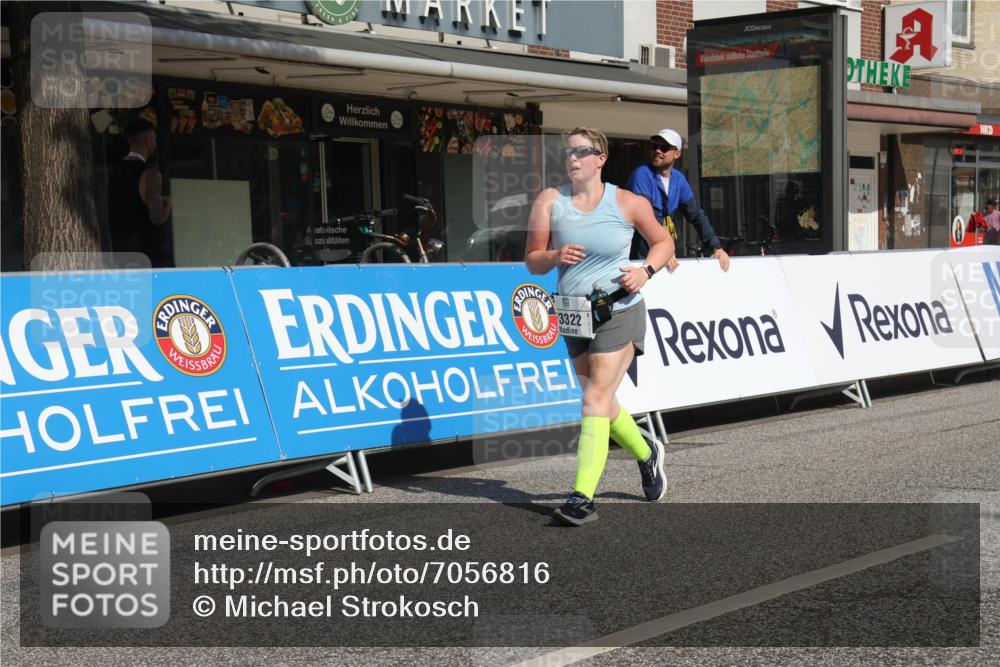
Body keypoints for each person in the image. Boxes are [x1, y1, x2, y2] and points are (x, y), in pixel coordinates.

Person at [525, 127, 675, 526]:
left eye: (581, 152)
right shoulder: (549, 201)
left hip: (620, 310)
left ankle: (582, 498)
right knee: (602, 404)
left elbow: (664, 243)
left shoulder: (627, 202)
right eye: (568, 153)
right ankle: (647, 453)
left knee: (593, 399)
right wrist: (555, 254)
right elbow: (533, 260)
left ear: (600, 158)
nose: (572, 159)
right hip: (573, 315)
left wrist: (645, 271)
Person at [625, 129, 729, 272]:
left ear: (677, 153)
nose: (658, 151)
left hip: (661, 255)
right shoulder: (642, 174)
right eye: (654, 146)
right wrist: (661, 251)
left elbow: (696, 215)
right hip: (638, 259)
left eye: (664, 148)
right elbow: (645, 218)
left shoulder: (678, 179)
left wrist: (716, 248)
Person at [107, 117, 173, 267]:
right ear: (149, 141)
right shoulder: (150, 174)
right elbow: (157, 216)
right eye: (154, 139)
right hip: (150, 256)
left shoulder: (114, 172)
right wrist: (167, 204)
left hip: (122, 253)